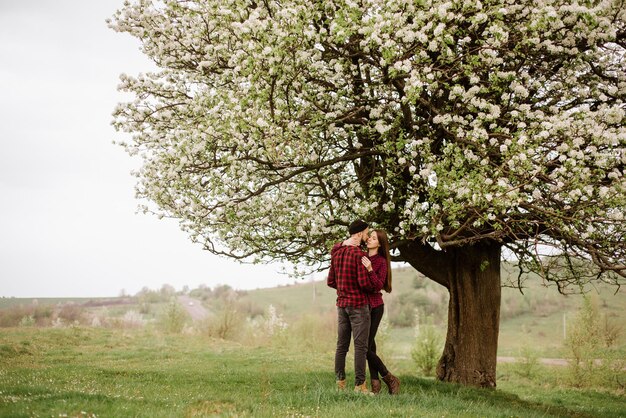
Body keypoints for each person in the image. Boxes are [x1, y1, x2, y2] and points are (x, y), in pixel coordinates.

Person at [327, 219, 377, 394]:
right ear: (359, 234)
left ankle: (340, 384)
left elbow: (331, 281)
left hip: (342, 305)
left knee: (342, 346)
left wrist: (344, 289)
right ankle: (360, 386)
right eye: (366, 232)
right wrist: (372, 278)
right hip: (358, 306)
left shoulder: (337, 252)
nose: (367, 236)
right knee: (360, 347)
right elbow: (366, 285)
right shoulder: (359, 256)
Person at [361, 229, 400, 395]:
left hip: (375, 307)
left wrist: (370, 269)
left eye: (374, 238)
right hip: (361, 306)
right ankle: (375, 385)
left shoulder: (381, 262)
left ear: (379, 243)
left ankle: (388, 377)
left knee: (364, 347)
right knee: (369, 346)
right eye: (370, 236)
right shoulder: (361, 256)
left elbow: (377, 286)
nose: (369, 239)